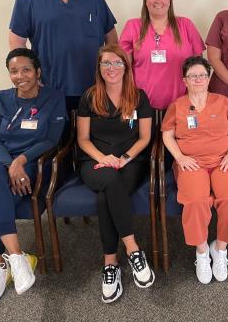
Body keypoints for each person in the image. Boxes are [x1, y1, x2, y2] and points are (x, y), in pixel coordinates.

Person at [0, 48, 66, 305]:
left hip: (33, 164)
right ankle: (16, 258)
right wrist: (9, 163)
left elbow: (51, 139)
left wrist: (21, 161)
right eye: (13, 71)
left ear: (38, 72)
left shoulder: (54, 98)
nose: (20, 76)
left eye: (26, 69)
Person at [77, 44, 155, 303]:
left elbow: (144, 138)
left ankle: (110, 264)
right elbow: (83, 139)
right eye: (106, 64)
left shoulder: (139, 96)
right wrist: (104, 159)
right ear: (99, 68)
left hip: (130, 160)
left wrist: (123, 159)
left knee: (104, 197)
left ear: (126, 67)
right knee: (109, 181)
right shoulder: (89, 97)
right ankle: (133, 250)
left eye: (117, 63)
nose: (112, 68)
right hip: (95, 161)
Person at [161, 57, 228, 284]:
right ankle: (201, 253)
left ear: (209, 78)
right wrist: (179, 157)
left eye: (202, 75)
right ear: (185, 80)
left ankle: (219, 249)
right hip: (191, 162)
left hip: (222, 160)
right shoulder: (177, 106)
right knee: (196, 201)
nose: (198, 79)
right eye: (192, 76)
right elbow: (167, 134)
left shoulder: (222, 101)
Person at [9, 0, 118, 110]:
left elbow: (111, 39)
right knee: (58, 135)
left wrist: (111, 75)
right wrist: (31, 79)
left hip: (95, 87)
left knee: (93, 136)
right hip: (50, 88)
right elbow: (17, 43)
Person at [119, 0, 205, 111]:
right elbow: (125, 68)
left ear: (170, 0)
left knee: (182, 132)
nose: (158, 0)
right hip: (141, 103)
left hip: (183, 102)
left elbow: (198, 67)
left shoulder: (186, 25)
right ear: (146, 1)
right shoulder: (132, 26)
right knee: (143, 132)